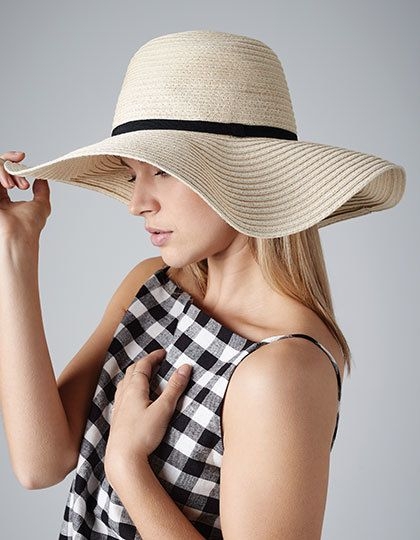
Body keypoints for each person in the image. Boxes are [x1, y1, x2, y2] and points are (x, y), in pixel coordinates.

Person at [0, 29, 405, 539]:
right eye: (133, 174)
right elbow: (41, 463)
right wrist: (16, 249)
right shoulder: (150, 287)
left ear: (245, 175)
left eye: (163, 172)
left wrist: (128, 467)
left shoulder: (281, 371)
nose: (137, 203)